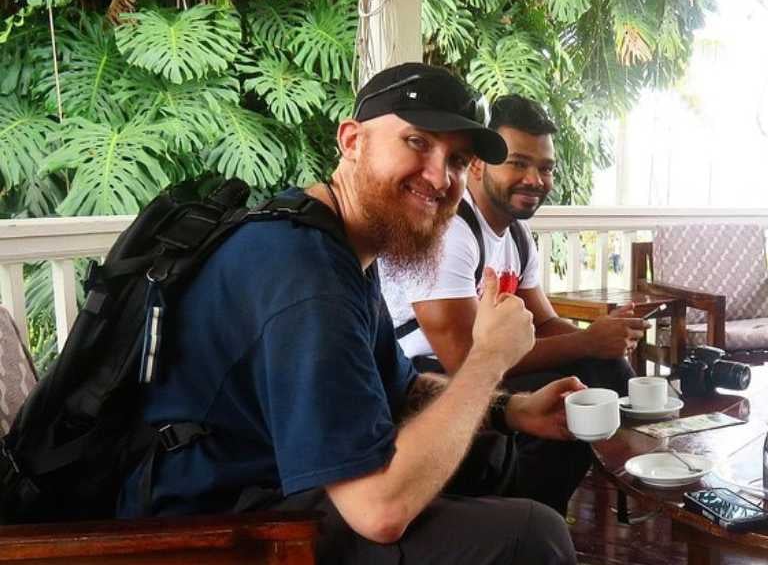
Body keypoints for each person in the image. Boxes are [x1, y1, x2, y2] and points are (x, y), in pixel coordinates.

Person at [116, 63, 583, 565]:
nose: (439, 177)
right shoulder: (306, 276)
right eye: (417, 142)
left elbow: (403, 386)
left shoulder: (338, 244)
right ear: (352, 140)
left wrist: (511, 408)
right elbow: (379, 511)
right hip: (209, 532)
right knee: (530, 536)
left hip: (275, 492)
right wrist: (488, 359)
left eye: (456, 160)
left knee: (495, 458)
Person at [381, 94, 650, 514]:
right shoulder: (451, 231)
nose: (535, 179)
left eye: (545, 168)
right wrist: (588, 343)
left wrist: (605, 339)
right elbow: (463, 358)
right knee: (572, 400)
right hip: (420, 380)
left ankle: (637, 467)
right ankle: (519, 521)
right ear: (477, 164)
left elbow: (543, 321)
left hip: (487, 364)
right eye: (518, 163)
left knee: (600, 373)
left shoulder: (517, 237)